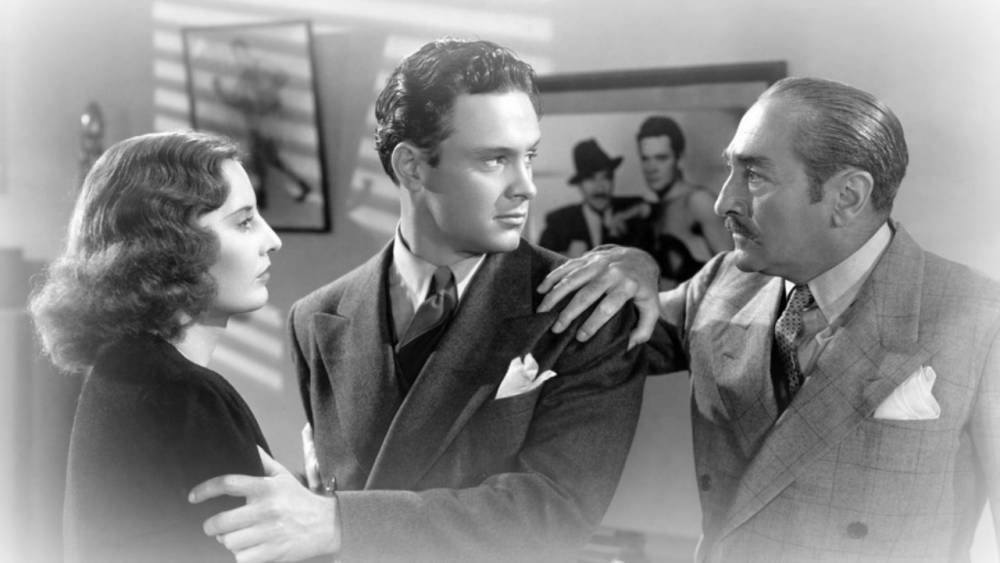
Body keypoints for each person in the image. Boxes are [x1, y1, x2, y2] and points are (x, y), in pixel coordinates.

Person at [188, 38, 647, 563]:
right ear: (411, 167)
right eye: (495, 159)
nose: (526, 187)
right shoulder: (315, 319)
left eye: (529, 157)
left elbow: (554, 514)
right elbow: (334, 490)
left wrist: (338, 521)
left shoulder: (589, 309)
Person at [537, 77, 1000, 561]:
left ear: (848, 196)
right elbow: (579, 337)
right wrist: (629, 263)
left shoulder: (982, 319)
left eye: (755, 176)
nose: (724, 202)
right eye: (730, 171)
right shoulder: (722, 285)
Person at [29, 130, 282, 562]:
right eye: (244, 222)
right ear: (172, 246)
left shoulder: (122, 371)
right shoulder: (187, 395)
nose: (272, 239)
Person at [635, 115, 732, 285]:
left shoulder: (698, 201)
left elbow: (734, 274)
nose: (651, 168)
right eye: (645, 159)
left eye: (661, 158)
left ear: (679, 159)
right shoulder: (657, 209)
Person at [538, 138, 650, 257]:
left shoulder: (631, 208)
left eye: (606, 177)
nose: (600, 187)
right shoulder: (559, 222)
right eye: (590, 178)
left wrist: (627, 214)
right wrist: (567, 258)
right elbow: (538, 262)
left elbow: (656, 209)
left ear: (613, 180)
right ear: (580, 185)